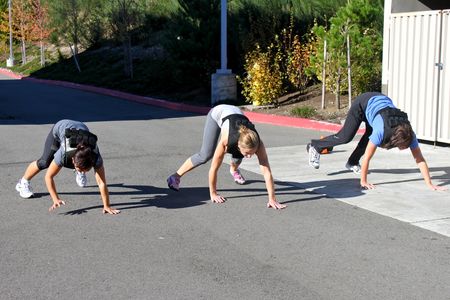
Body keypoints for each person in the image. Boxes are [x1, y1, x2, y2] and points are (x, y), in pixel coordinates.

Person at [307, 92, 446, 191]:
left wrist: (429, 183)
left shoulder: (409, 134)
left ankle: (352, 162)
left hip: (380, 106)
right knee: (345, 137)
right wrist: (363, 181)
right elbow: (368, 157)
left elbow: (419, 159)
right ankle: (315, 145)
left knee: (368, 138)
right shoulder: (381, 131)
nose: (405, 148)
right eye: (403, 146)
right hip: (363, 104)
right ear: (396, 139)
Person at [166, 104, 286, 209]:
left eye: (252, 153)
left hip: (236, 113)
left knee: (239, 156)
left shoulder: (257, 143)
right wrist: (213, 194)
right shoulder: (226, 142)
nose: (250, 157)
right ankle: (175, 177)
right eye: (248, 153)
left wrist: (272, 199)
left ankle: (233, 170)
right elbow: (214, 168)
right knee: (205, 155)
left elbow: (266, 172)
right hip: (217, 114)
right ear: (239, 145)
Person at [15, 119, 121, 214]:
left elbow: (101, 183)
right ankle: (23, 182)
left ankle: (79, 171)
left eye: (85, 170)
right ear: (73, 160)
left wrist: (107, 206)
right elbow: (49, 177)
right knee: (44, 162)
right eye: (80, 169)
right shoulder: (63, 154)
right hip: (60, 128)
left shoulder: (96, 157)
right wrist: (55, 199)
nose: (85, 171)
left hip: (81, 128)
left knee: (85, 166)